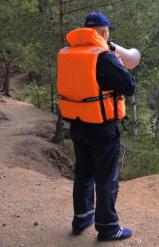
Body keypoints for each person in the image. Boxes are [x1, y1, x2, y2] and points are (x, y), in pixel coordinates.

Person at [56, 12, 136, 241]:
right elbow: (129, 86)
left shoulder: (66, 53)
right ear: (103, 32)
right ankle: (108, 228)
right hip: (102, 127)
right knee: (106, 177)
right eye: (108, 32)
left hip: (77, 124)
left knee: (83, 173)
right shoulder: (104, 56)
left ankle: (82, 219)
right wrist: (120, 63)